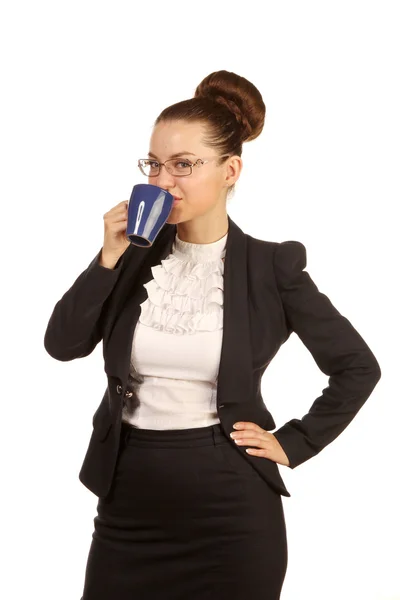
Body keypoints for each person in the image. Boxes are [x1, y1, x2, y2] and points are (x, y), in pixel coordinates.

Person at [44, 70, 381, 600]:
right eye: (154, 165)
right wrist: (108, 258)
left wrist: (294, 443)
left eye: (183, 165)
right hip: (128, 496)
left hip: (230, 505)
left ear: (230, 170)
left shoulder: (273, 267)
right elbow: (63, 344)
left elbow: (358, 367)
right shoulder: (132, 258)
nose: (163, 182)